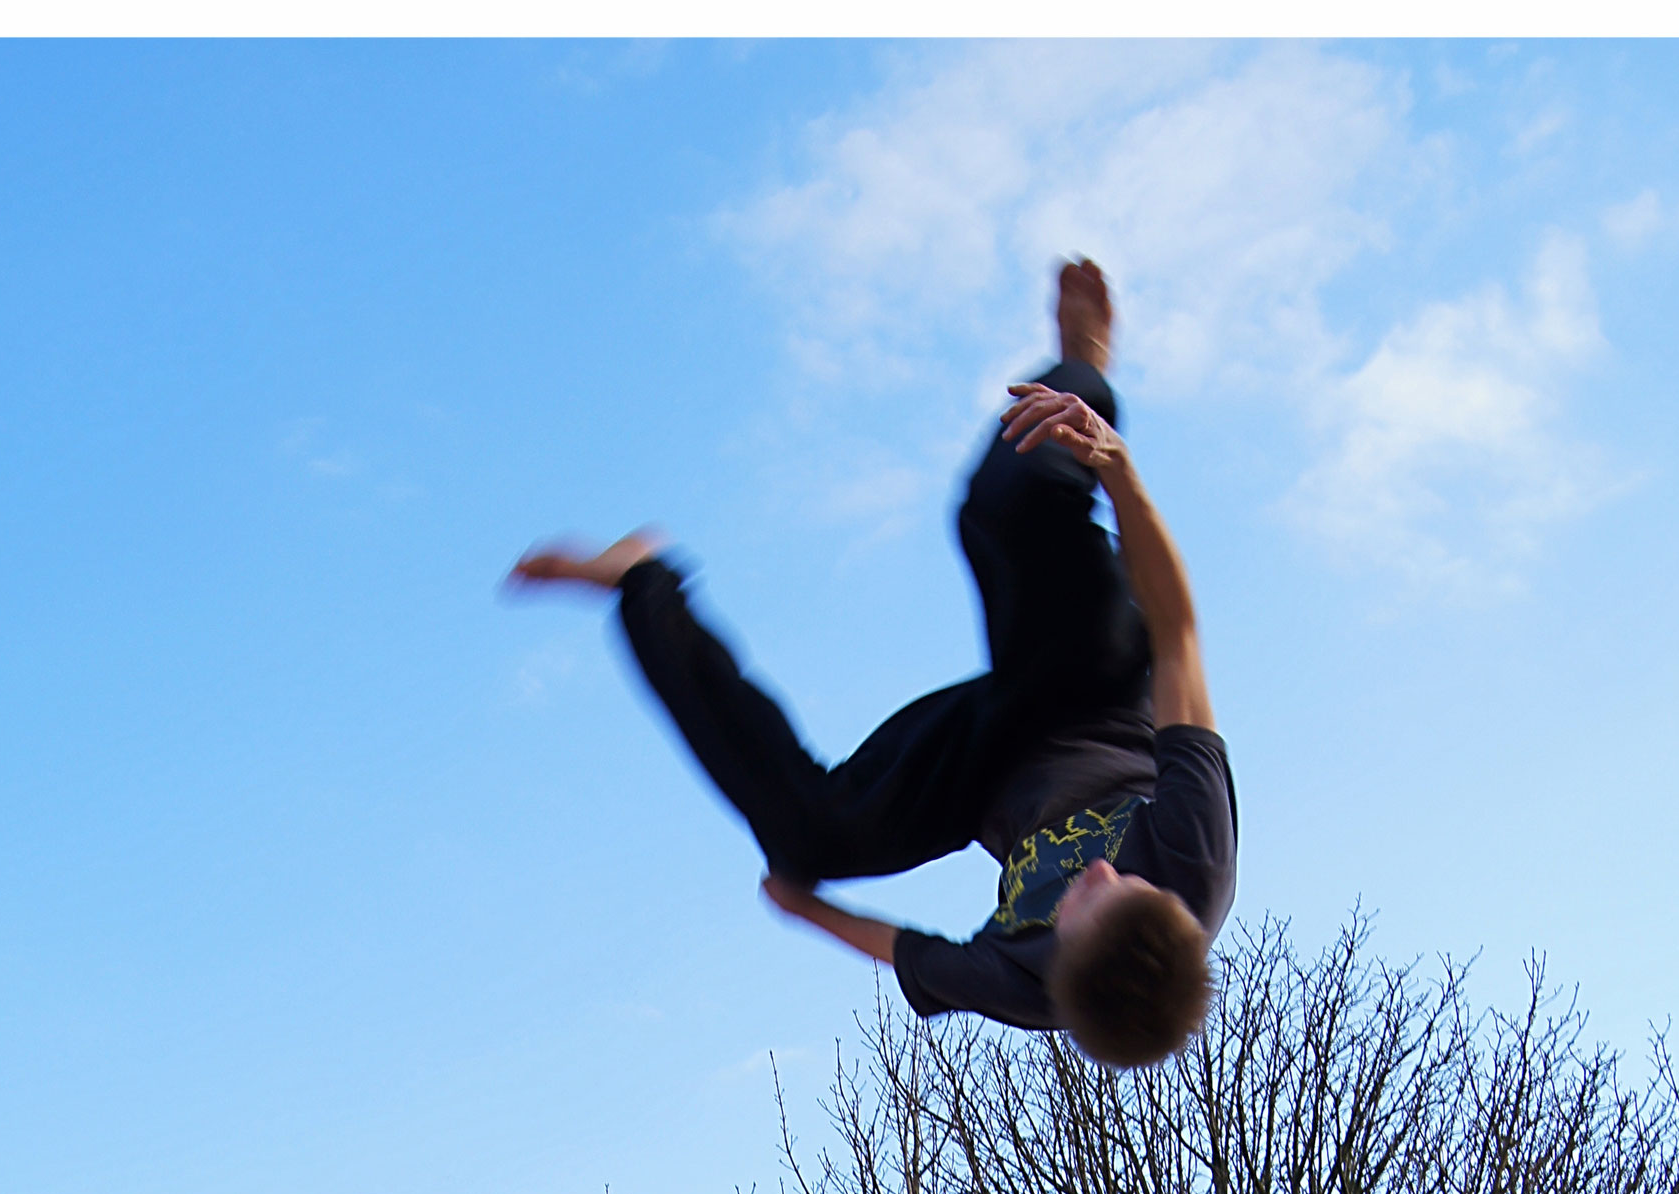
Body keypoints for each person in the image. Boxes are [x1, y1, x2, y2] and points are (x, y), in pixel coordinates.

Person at [509, 260, 1235, 1069]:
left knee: (806, 836)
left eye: (1083, 897)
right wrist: (1117, 468)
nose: (1100, 866)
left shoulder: (1031, 987)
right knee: (1000, 507)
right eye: (1122, 881)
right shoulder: (1193, 851)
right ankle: (1084, 366)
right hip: (1093, 685)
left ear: (1058, 966)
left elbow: (903, 950)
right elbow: (1179, 634)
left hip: (984, 771)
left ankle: (640, 581)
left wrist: (804, 905)